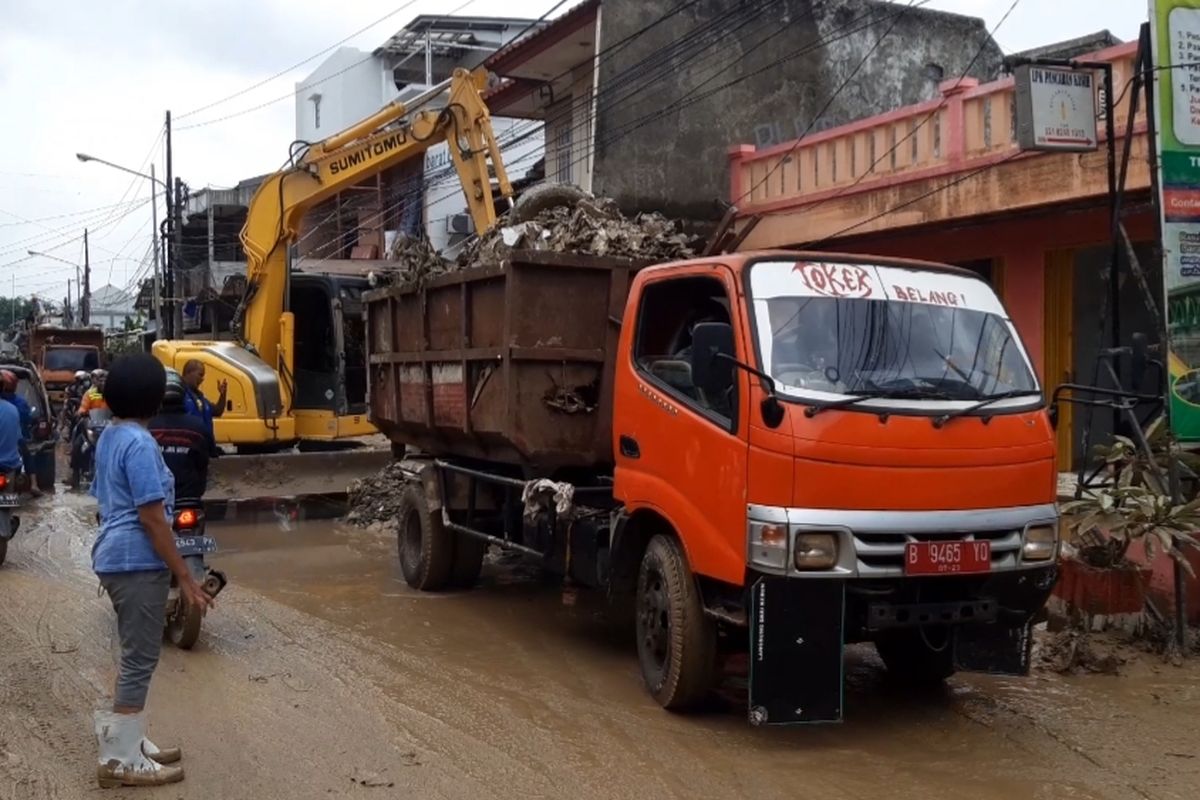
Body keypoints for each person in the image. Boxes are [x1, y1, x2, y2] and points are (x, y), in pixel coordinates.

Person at [90, 353, 213, 788]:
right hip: (136, 559)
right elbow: (152, 517)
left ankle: (130, 740)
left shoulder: (111, 434)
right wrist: (183, 573)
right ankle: (120, 760)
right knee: (140, 659)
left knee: (135, 656)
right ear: (154, 397)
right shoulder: (139, 443)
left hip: (116, 555)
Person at [148, 369, 213, 501]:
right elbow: (208, 457)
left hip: (156, 498)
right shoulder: (198, 426)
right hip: (189, 496)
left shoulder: (147, 428)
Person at [0, 370, 40, 497]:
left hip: (11, 460)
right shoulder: (15, 408)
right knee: (28, 454)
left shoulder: (14, 406)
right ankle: (34, 484)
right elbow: (26, 423)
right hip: (10, 465)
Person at [180, 360, 227, 441]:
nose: (202, 379)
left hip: (205, 447)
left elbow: (218, 411)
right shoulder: (179, 395)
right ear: (188, 372)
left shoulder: (200, 398)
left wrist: (223, 395)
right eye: (200, 375)